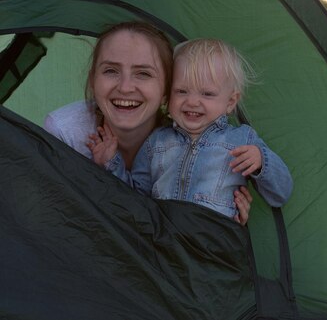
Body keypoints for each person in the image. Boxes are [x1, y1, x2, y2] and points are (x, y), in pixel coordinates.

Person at [44, 22, 253, 224]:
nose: (125, 87)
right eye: (110, 71)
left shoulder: (188, 139)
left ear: (166, 90)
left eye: (143, 73)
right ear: (92, 80)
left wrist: (223, 212)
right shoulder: (64, 132)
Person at [89, 38, 293, 219]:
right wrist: (111, 164)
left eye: (207, 94)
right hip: (163, 239)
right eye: (182, 91)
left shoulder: (241, 139)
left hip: (213, 241)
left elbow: (280, 194)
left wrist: (261, 162)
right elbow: (135, 196)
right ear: (168, 95)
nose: (193, 102)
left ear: (231, 102)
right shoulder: (157, 142)